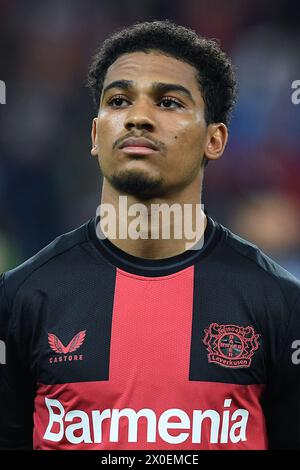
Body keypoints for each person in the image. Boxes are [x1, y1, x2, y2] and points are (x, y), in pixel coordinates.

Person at [0, 20, 299, 450]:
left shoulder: (278, 304)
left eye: (169, 102)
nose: (139, 117)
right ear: (95, 133)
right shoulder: (23, 297)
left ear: (214, 140)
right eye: (119, 100)